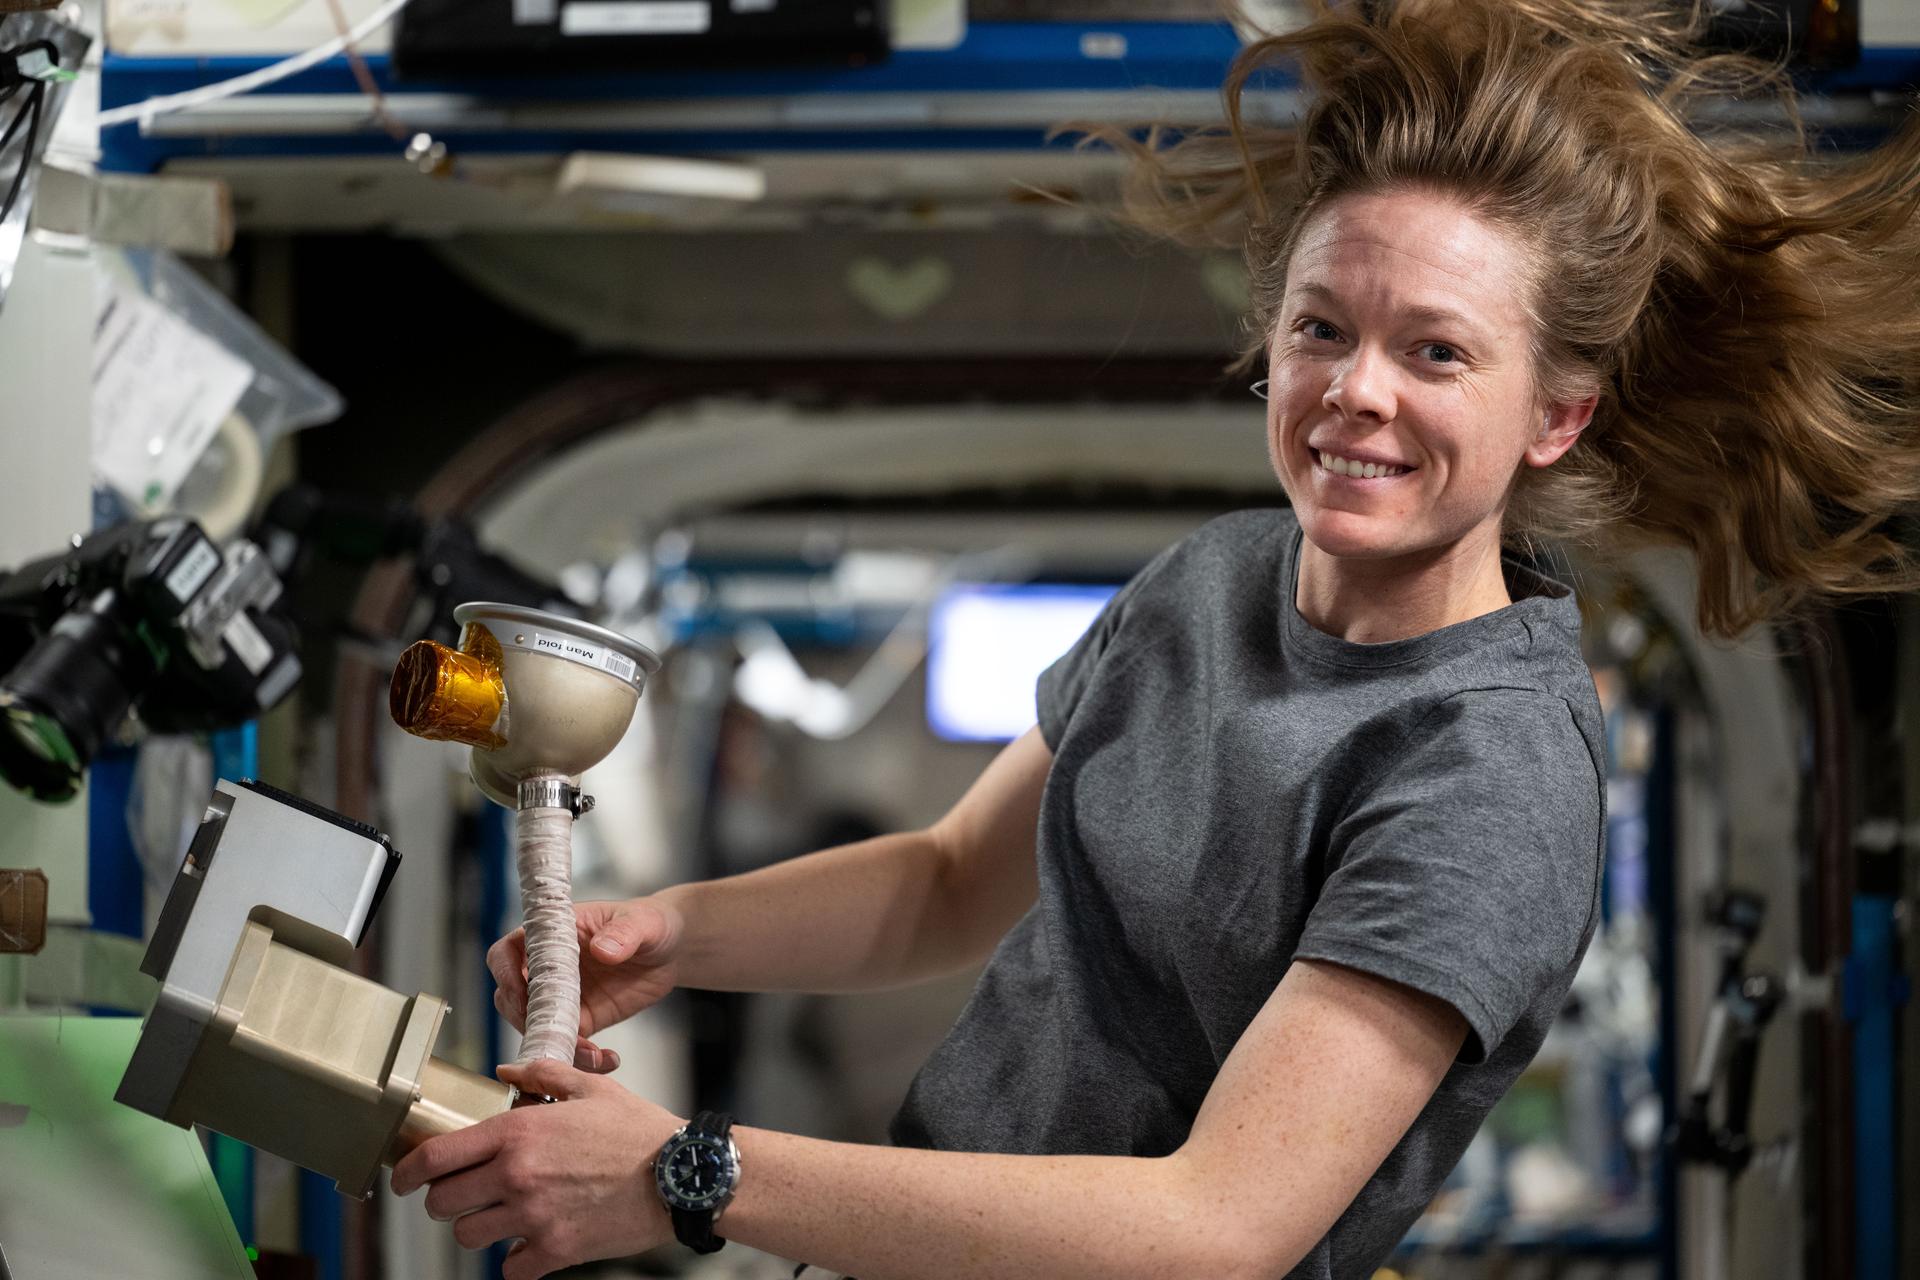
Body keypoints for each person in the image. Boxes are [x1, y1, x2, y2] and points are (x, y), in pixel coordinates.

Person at [389, 1, 1920, 1276]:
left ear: (1557, 416)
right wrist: (677, 934)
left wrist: (685, 1173)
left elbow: (1219, 1228)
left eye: (1436, 352)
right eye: (1324, 327)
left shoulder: (1488, 773)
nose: (1357, 392)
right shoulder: (1213, 582)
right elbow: (947, 884)